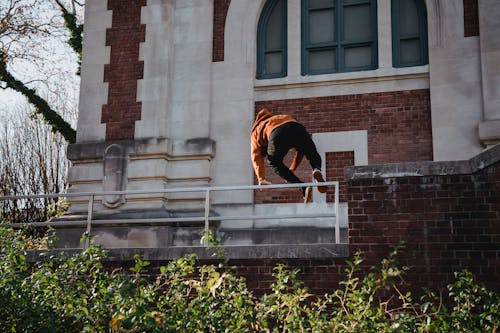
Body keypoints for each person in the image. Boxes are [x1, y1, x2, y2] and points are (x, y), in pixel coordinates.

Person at [250, 108, 327, 203]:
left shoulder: (256, 130)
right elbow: (300, 151)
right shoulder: (279, 117)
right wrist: (292, 169)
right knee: (311, 151)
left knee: (274, 162)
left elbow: (256, 156)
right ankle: (316, 169)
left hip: (277, 132)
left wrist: (261, 179)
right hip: (297, 127)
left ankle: (303, 187)